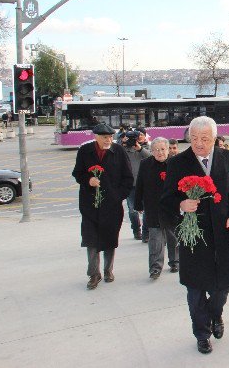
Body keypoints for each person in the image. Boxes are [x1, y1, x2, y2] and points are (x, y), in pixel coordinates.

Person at [160, 116, 229, 355]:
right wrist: (181, 205)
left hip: (222, 235)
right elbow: (166, 201)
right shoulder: (177, 162)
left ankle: (215, 315)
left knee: (222, 288)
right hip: (193, 237)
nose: (198, 143)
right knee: (195, 289)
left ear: (214, 138)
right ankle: (202, 334)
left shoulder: (227, 157)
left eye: (204, 138)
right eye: (194, 138)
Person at [72, 123, 133, 290]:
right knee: (91, 239)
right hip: (89, 204)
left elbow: (128, 178)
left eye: (110, 137)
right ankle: (93, 274)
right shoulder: (85, 151)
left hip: (111, 205)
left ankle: (108, 270)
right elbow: (77, 173)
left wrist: (118, 195)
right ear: (96, 137)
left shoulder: (118, 151)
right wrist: (88, 180)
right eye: (105, 137)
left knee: (110, 238)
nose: (108, 140)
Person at [135, 137, 179, 279]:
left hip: (172, 207)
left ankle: (175, 262)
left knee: (173, 236)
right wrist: (138, 204)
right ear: (151, 151)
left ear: (168, 150)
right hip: (153, 207)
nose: (160, 152)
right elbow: (140, 184)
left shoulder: (175, 163)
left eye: (162, 149)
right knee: (155, 239)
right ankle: (155, 268)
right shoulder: (145, 164)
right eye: (156, 150)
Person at [123, 128, 151, 242]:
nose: (139, 138)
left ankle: (145, 233)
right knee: (133, 210)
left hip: (145, 184)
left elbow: (151, 157)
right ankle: (136, 230)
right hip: (131, 185)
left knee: (147, 210)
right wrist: (123, 143)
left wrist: (139, 148)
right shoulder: (124, 150)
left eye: (141, 135)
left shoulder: (147, 147)